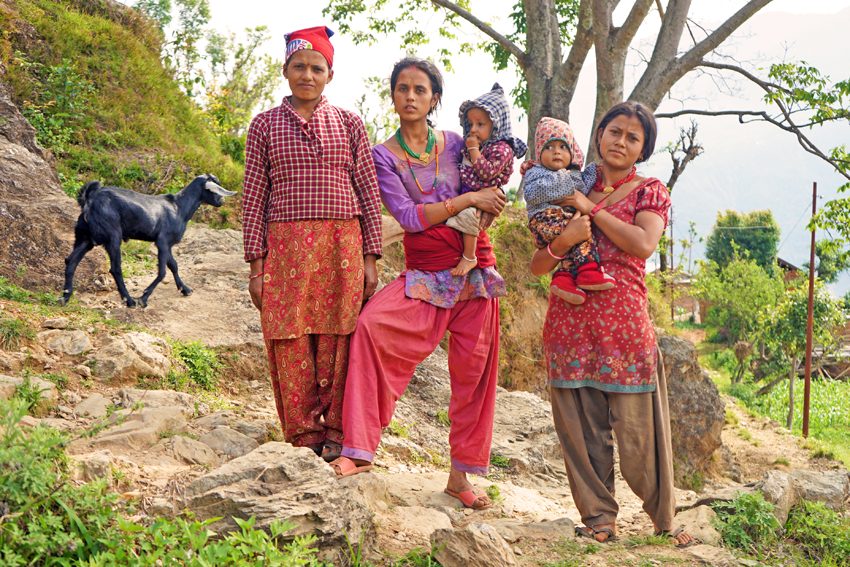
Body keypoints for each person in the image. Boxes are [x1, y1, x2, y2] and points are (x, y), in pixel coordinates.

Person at [329, 56, 507, 512]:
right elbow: (407, 217)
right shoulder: (381, 155)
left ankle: (460, 477)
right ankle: (360, 450)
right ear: (393, 95)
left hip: (475, 274)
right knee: (371, 328)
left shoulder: (454, 144)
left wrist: (492, 200)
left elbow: (491, 184)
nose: (410, 96)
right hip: (425, 276)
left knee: (475, 377)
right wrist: (468, 199)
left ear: (435, 99)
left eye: (420, 90)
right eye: (402, 88)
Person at [529, 101, 696, 547]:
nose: (621, 141)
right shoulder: (563, 186)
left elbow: (643, 244)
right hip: (568, 330)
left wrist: (592, 210)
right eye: (614, 131)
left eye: (632, 137)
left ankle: (664, 519)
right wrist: (565, 240)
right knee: (582, 437)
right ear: (599, 135)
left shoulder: (649, 191)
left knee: (641, 436)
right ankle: (599, 518)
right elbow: (537, 265)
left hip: (624, 332)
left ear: (642, 149)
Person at [241, 26, 382, 463]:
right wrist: (256, 266)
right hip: (286, 247)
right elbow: (253, 198)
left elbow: (368, 191)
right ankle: (304, 435)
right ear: (285, 70)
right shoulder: (264, 125)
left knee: (340, 336)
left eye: (316, 67)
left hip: (343, 244)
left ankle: (339, 432)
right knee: (289, 335)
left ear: (330, 75)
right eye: (299, 66)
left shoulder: (349, 123)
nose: (307, 74)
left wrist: (371, 256)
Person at [522, 117, 613, 305]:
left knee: (578, 232)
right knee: (580, 231)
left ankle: (564, 278)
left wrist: (593, 172)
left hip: (560, 222)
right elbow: (532, 194)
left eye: (563, 147)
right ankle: (588, 269)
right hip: (544, 221)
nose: (556, 151)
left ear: (572, 152)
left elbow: (584, 185)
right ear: (539, 152)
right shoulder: (536, 172)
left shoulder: (572, 174)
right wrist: (566, 182)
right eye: (549, 147)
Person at [447, 83, 527, 276]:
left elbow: (486, 173)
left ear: (497, 125)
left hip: (482, 198)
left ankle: (469, 257)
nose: (473, 130)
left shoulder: (502, 149)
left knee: (468, 217)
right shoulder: (480, 145)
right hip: (469, 193)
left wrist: (474, 150)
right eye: (471, 124)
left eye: (480, 124)